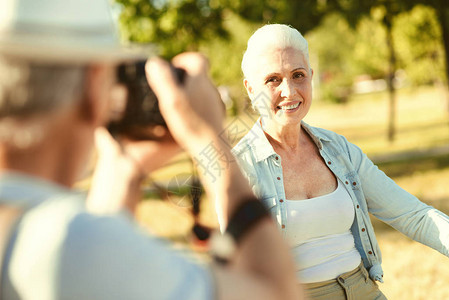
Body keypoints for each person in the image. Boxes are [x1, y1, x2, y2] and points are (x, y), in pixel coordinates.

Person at [0, 1, 303, 299]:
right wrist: (208, 138)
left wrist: (123, 171)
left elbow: (101, 265)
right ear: (94, 86)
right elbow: (278, 293)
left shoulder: (50, 242)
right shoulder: (63, 245)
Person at [232, 23, 449, 300]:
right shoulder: (238, 167)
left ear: (310, 76)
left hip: (364, 290)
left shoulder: (340, 150)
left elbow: (413, 215)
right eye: (273, 79)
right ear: (251, 89)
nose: (289, 91)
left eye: (298, 75)